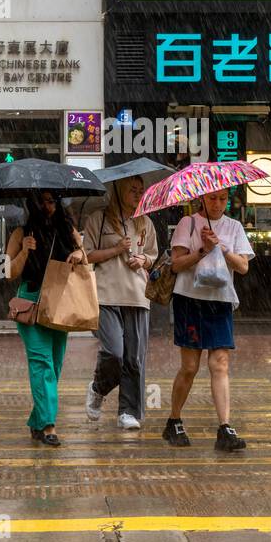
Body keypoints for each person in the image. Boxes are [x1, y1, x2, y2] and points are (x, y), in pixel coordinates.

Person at [162, 188, 255, 452]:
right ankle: (174, 419)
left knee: (220, 363)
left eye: (223, 199)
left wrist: (222, 248)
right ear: (203, 198)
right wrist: (203, 249)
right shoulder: (187, 223)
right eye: (213, 198)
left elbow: (244, 266)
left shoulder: (234, 226)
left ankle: (225, 427)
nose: (218, 204)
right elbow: (176, 264)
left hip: (221, 300)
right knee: (190, 366)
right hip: (189, 299)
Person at [5, 191, 86, 447]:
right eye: (42, 202)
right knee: (42, 364)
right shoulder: (21, 233)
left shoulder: (68, 229)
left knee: (55, 365)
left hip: (59, 302)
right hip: (30, 302)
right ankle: (49, 425)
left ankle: (37, 420)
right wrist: (25, 252)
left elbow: (85, 255)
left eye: (52, 201)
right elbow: (8, 273)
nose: (47, 207)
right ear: (33, 204)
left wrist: (79, 255)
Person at [83, 175, 158, 430]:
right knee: (115, 352)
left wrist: (143, 261)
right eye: (132, 190)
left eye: (141, 190)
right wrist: (116, 249)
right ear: (118, 191)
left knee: (134, 358)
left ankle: (128, 411)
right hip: (105, 294)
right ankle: (98, 387)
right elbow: (87, 255)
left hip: (137, 295)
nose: (138, 194)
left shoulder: (145, 222)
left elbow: (152, 256)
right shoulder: (98, 218)